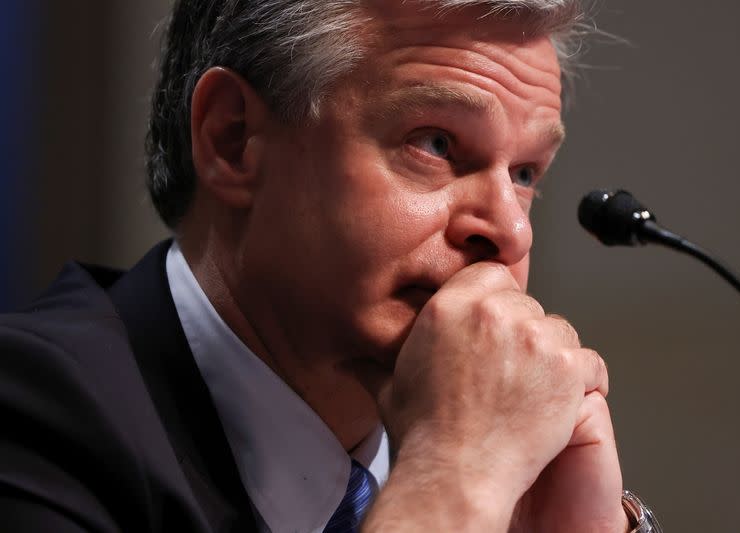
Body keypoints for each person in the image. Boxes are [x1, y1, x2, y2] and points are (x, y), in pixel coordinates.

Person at [0, 0, 661, 532]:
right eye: (435, 143)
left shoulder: (478, 441)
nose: (511, 230)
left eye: (524, 173)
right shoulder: (32, 412)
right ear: (234, 139)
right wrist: (457, 476)